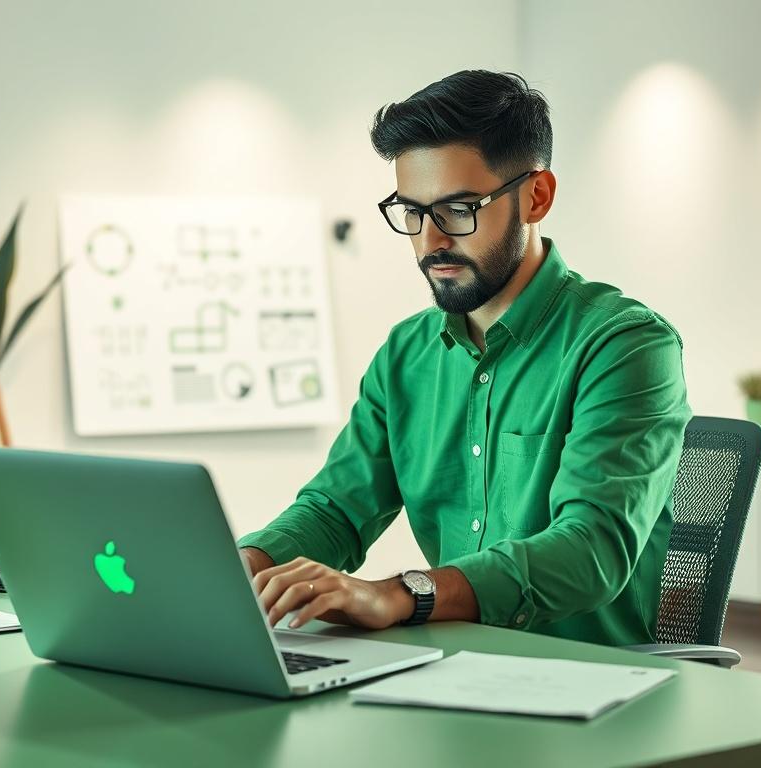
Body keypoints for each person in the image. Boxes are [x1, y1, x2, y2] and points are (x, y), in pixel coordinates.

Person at [238, 70, 691, 646]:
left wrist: (401, 594)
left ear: (537, 196)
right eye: (411, 212)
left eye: (458, 209)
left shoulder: (625, 345)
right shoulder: (405, 354)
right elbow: (336, 510)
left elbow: (590, 550)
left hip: (587, 686)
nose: (430, 242)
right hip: (451, 671)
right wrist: (241, 567)